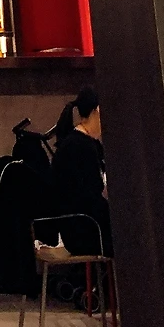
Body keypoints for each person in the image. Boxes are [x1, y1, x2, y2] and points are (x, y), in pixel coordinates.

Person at [43, 86, 111, 257]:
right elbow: (90, 196)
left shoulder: (83, 143)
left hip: (79, 226)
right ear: (97, 111)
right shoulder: (80, 147)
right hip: (84, 230)